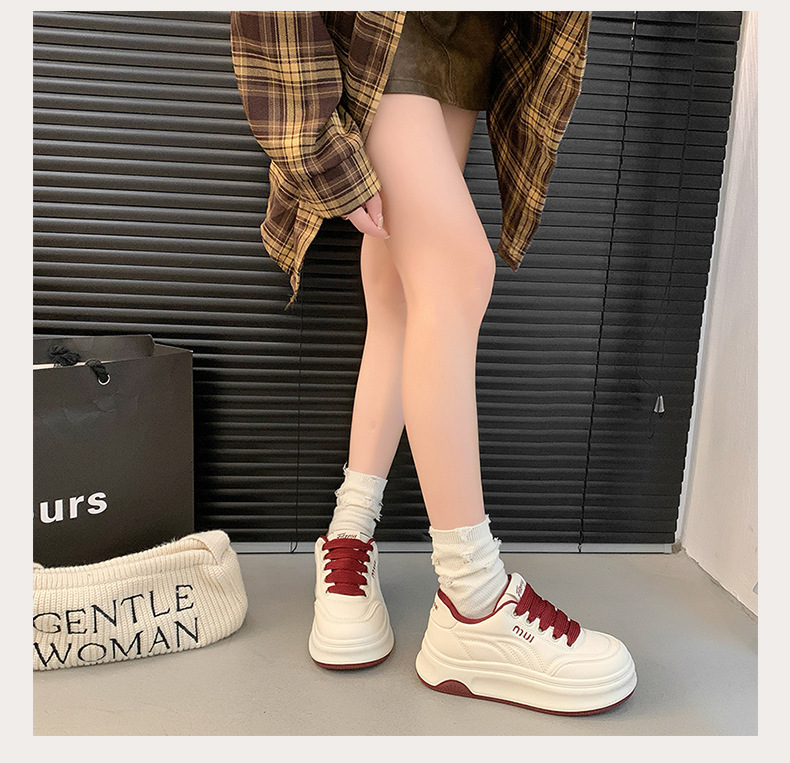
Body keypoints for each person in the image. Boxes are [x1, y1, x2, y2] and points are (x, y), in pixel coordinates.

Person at [230, 10, 637, 715]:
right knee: (456, 274)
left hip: (467, 34)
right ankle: (472, 602)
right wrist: (321, 152)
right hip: (381, 31)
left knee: (400, 293)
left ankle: (350, 531)